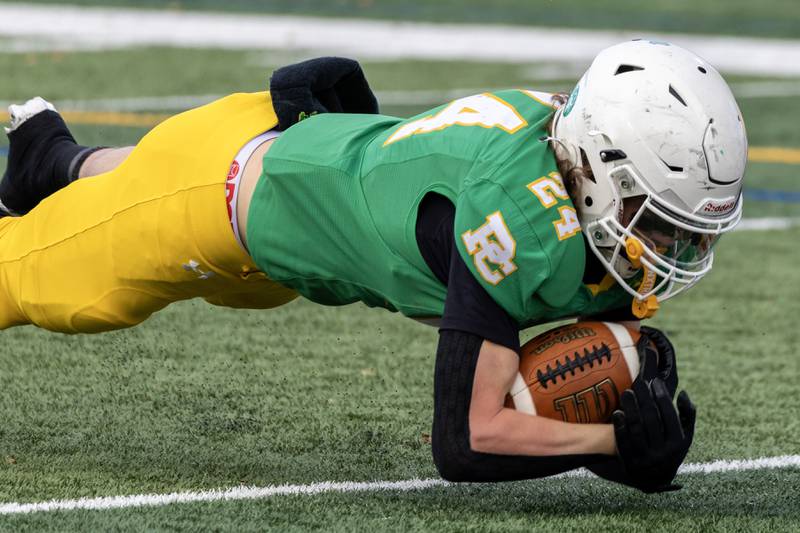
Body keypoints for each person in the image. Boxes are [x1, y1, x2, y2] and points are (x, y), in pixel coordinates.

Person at [0, 40, 747, 492]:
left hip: (279, 169)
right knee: (40, 286)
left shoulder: (567, 147)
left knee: (132, 178)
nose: (671, 252)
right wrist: (615, 443)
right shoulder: (513, 219)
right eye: (656, 220)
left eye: (688, 234)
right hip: (210, 204)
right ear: (595, 167)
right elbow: (468, 438)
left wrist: (634, 428)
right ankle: (52, 170)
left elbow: (608, 347)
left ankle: (50, 159)